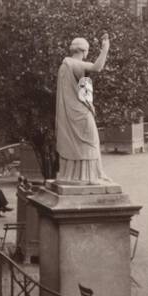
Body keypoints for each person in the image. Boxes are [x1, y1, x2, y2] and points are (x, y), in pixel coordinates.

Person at [55, 33, 110, 184]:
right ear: (83, 51)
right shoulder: (74, 64)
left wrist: (89, 102)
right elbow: (97, 67)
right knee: (91, 142)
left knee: (80, 143)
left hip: (71, 112)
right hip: (80, 113)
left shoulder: (64, 66)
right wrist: (105, 49)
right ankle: (88, 176)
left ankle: (75, 174)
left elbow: (83, 87)